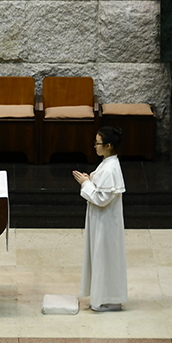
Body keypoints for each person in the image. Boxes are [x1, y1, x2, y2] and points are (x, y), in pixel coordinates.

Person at [72, 126, 127, 312]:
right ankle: (103, 297)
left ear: (109, 145)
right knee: (102, 256)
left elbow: (101, 199)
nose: (95, 146)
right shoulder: (108, 163)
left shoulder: (111, 168)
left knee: (104, 257)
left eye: (98, 143)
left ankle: (105, 299)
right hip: (101, 221)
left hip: (106, 223)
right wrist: (90, 180)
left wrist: (85, 183)